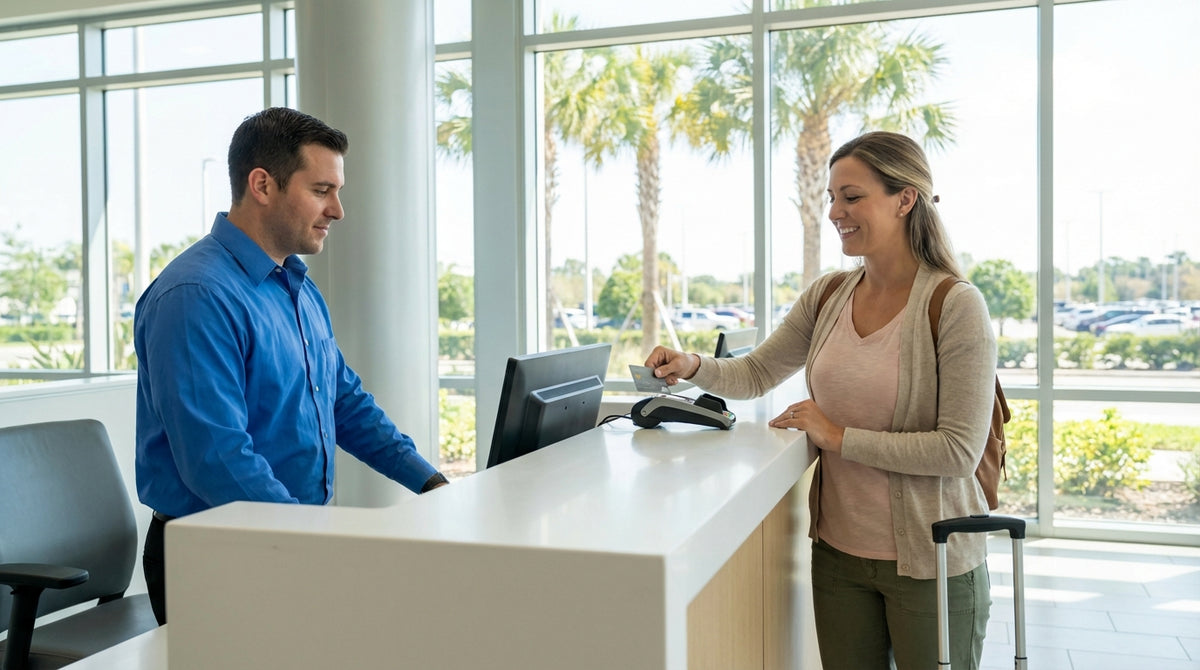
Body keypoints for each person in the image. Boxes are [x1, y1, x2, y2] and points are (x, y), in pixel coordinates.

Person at [646, 131, 996, 669]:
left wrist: (836, 436)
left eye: (852, 197)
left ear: (905, 199)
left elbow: (957, 452)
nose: (836, 212)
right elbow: (758, 371)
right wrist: (693, 367)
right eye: (831, 198)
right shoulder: (829, 294)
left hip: (933, 559)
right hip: (838, 556)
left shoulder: (955, 304)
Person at [134, 107, 448, 626]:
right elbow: (218, 458)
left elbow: (345, 403)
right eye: (322, 190)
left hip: (280, 539)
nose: (338, 210)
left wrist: (430, 484)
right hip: (217, 554)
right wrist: (311, 545)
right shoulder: (196, 295)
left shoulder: (295, 285)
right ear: (262, 184)